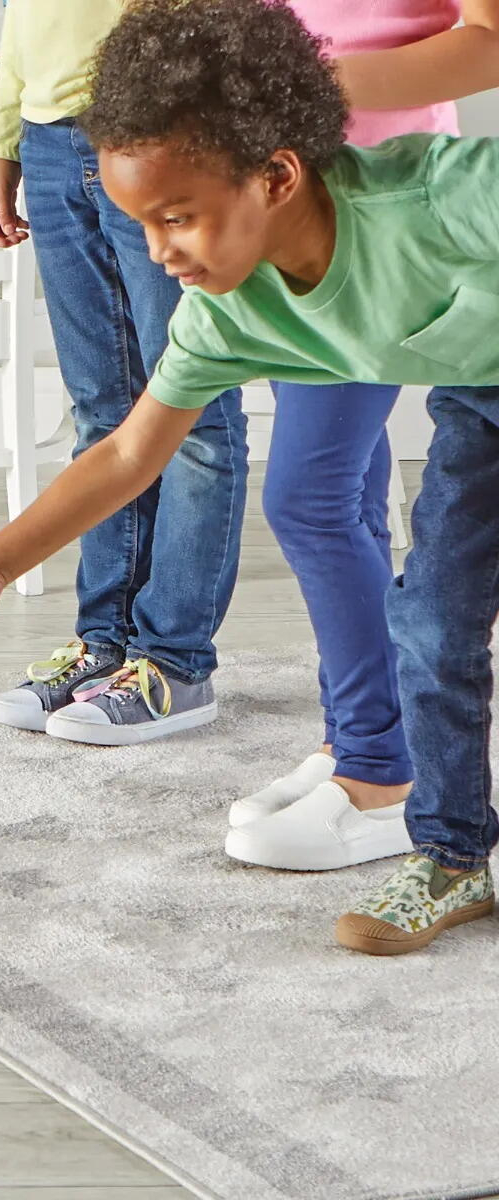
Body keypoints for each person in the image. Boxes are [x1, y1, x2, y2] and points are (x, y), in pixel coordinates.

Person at [0, 0, 499, 955]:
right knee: (433, 621)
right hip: (483, 400)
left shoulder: (442, 194)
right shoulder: (227, 314)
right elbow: (130, 453)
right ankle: (454, 857)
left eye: (177, 219)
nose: (161, 253)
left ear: (276, 176)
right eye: (145, 225)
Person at [226, 0, 499, 873]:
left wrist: (301, 86)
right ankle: (359, 734)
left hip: (382, 209)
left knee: (309, 497)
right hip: (281, 197)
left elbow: (490, 41)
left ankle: (384, 773)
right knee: (345, 495)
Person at [0, 0, 247, 747]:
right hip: (50, 138)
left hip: (163, 124)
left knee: (190, 407)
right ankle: (107, 644)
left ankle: (176, 662)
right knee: (102, 410)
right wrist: (3, 139)